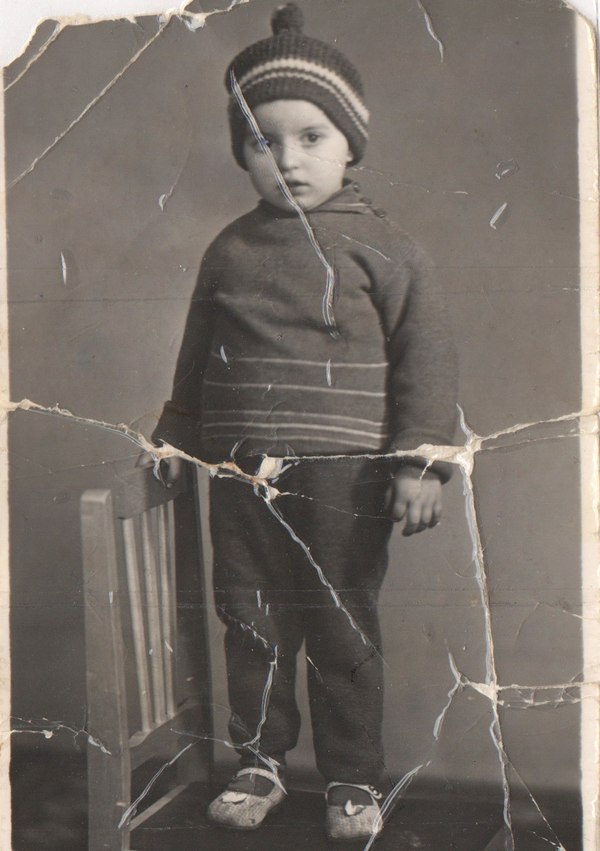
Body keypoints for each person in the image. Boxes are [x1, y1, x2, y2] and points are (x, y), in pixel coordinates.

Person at [149, 3, 457, 841]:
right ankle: (259, 761)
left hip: (343, 476)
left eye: (311, 136)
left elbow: (426, 362)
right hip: (240, 470)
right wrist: (174, 432)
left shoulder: (388, 250)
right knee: (249, 616)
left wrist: (420, 462)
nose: (286, 159)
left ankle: (351, 776)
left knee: (339, 620)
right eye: (262, 141)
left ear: (350, 142)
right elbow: (197, 355)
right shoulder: (230, 250)